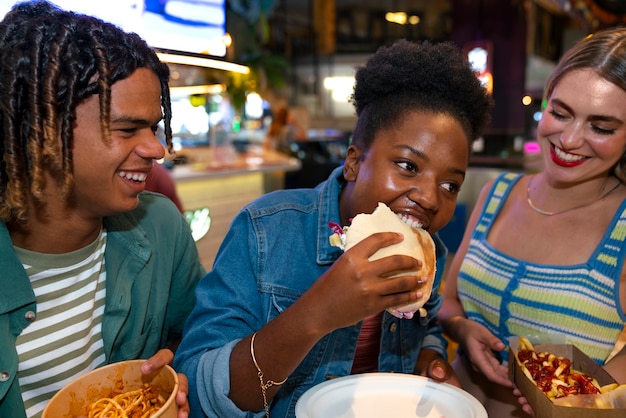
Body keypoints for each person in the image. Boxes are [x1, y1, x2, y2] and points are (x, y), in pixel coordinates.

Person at [174, 38, 493, 417]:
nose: (429, 197)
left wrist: (429, 360)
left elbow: (427, 328)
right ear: (354, 162)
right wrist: (318, 312)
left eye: (449, 185)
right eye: (408, 166)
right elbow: (197, 391)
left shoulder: (429, 252)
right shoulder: (266, 231)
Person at [0, 2, 205, 417]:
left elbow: (195, 338)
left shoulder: (162, 227)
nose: (156, 149)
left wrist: (175, 382)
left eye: (154, 127)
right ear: (43, 130)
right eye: (128, 129)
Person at [438, 27, 626, 417]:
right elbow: (450, 300)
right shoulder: (497, 193)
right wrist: (462, 330)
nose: (570, 139)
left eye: (602, 127)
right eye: (560, 113)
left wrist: (585, 401)